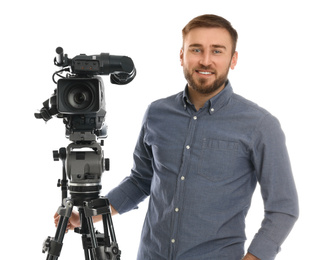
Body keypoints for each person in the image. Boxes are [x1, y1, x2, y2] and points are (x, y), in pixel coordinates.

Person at [55, 14, 299, 260]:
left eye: (217, 51)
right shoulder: (157, 113)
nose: (205, 60)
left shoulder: (260, 125)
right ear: (181, 55)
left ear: (232, 59)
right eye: (196, 49)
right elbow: (141, 181)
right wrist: (85, 218)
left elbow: (283, 208)